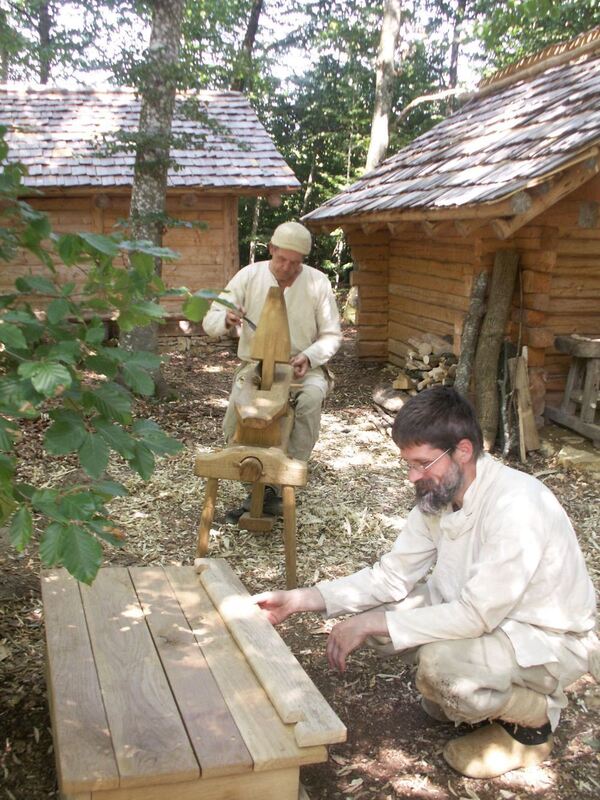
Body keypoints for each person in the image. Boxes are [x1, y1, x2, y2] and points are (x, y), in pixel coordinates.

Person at [254, 387, 598, 779]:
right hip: (485, 620)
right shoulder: (440, 493)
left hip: (543, 640)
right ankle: (475, 695)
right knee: (396, 636)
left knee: (440, 668)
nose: (413, 477)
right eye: (408, 465)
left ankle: (534, 725)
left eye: (422, 463)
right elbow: (391, 576)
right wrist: (297, 600)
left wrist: (372, 623)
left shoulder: (517, 506)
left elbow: (476, 615)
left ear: (463, 451)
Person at [202, 221, 342, 520]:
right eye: (282, 259)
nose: (288, 268)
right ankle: (252, 480)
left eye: (295, 263)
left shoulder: (318, 283)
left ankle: (284, 481)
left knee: (309, 400)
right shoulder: (249, 276)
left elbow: (332, 335)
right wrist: (226, 319)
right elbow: (210, 320)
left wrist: (309, 356)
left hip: (302, 365)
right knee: (241, 411)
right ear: (272, 250)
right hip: (256, 364)